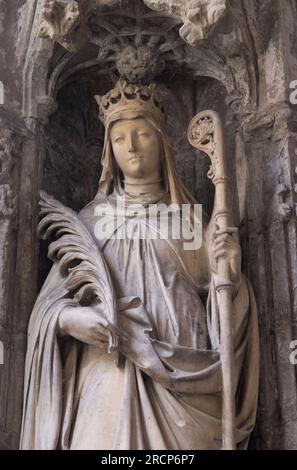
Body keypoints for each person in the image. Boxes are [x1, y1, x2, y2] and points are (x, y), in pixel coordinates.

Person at [20, 79, 259, 450]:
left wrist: (228, 272)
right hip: (110, 369)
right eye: (119, 139)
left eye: (141, 134)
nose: (130, 147)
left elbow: (215, 289)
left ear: (162, 142)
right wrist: (71, 319)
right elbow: (48, 307)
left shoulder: (190, 219)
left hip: (186, 370)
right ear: (108, 151)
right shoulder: (93, 220)